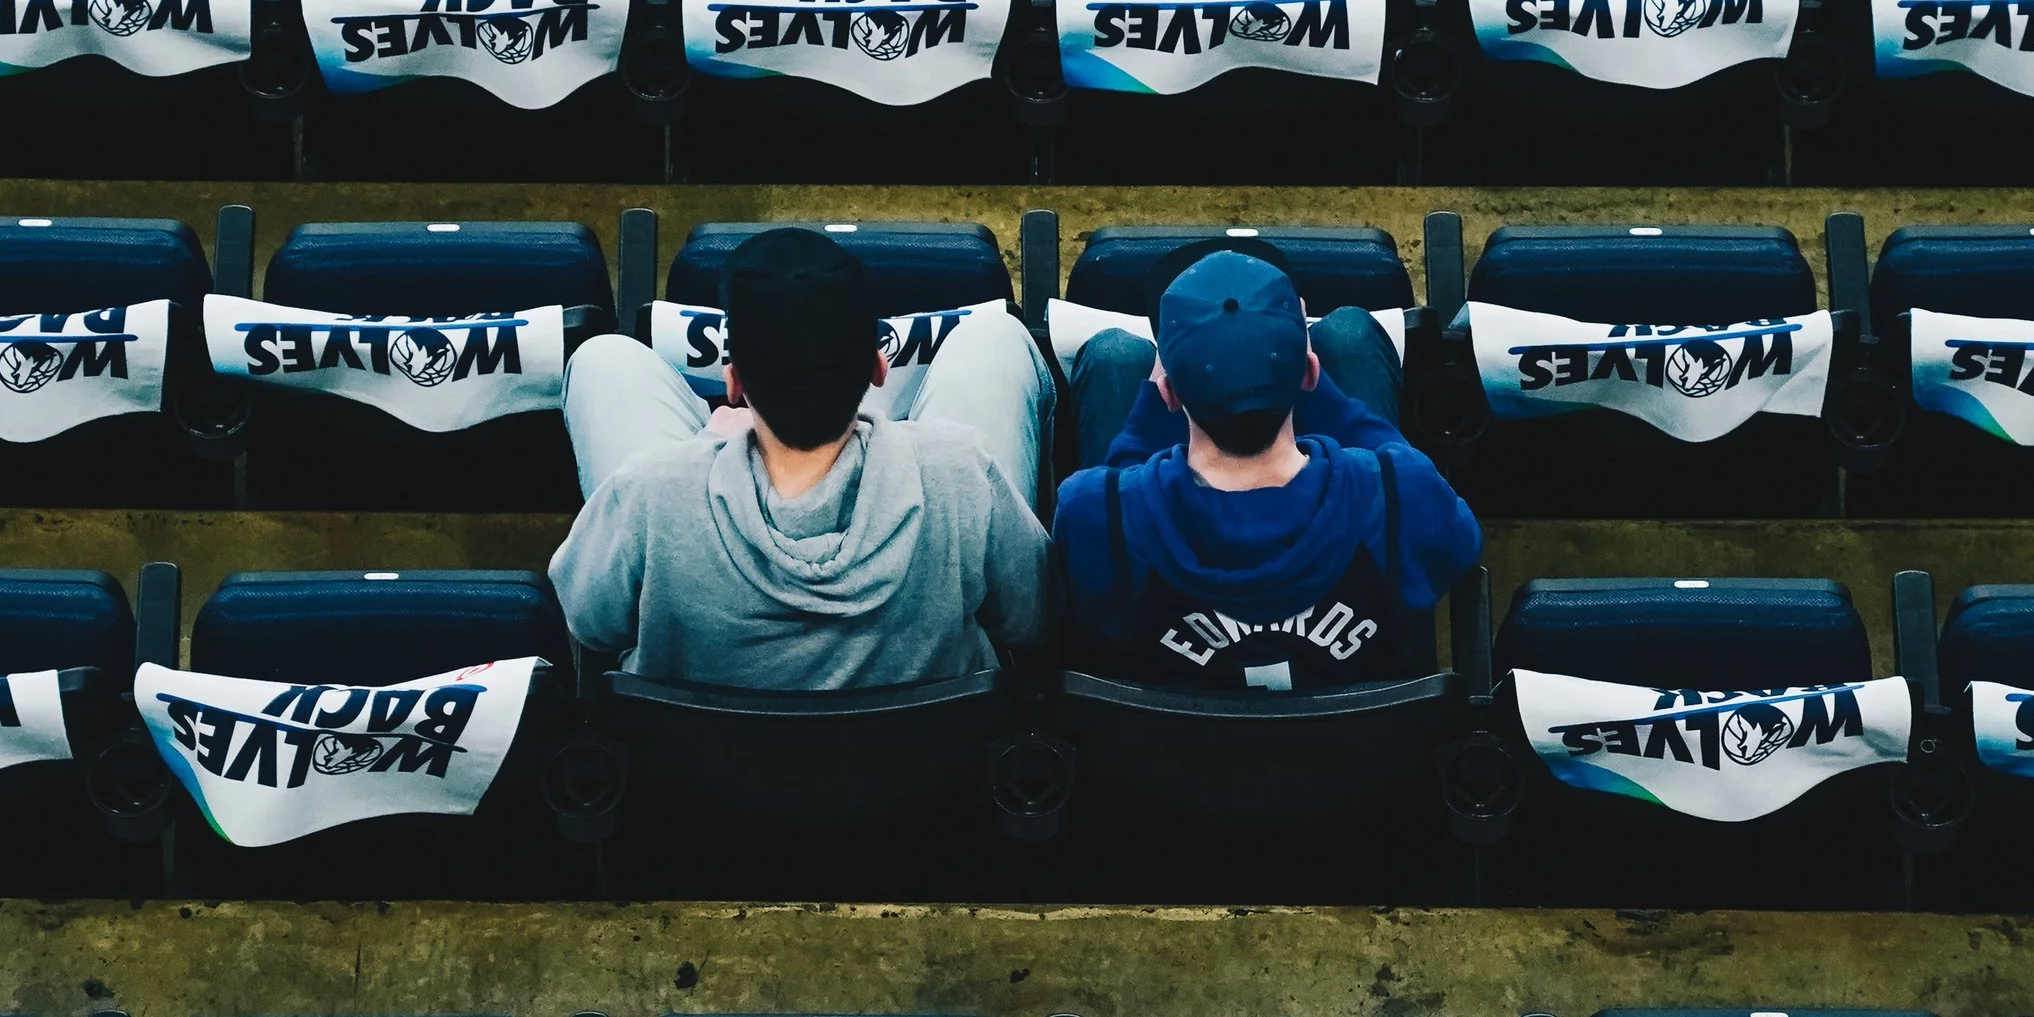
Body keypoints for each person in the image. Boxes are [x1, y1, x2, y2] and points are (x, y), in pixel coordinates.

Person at [552, 224, 1053, 686]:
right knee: (994, 337)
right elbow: (1031, 619)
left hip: (699, 755)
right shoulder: (961, 472)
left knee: (605, 356)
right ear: (879, 369)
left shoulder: (649, 492)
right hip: (932, 753)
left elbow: (592, 624)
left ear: (734, 383)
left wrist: (705, 449)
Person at [1052, 248, 1480, 689]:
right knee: (1350, 328)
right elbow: (1459, 544)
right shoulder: (1403, 489)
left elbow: (1123, 509)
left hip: (1162, 735)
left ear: (1169, 394)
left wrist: (1157, 403)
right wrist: (1300, 367)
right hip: (1370, 735)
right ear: (1310, 373)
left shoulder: (1093, 508)